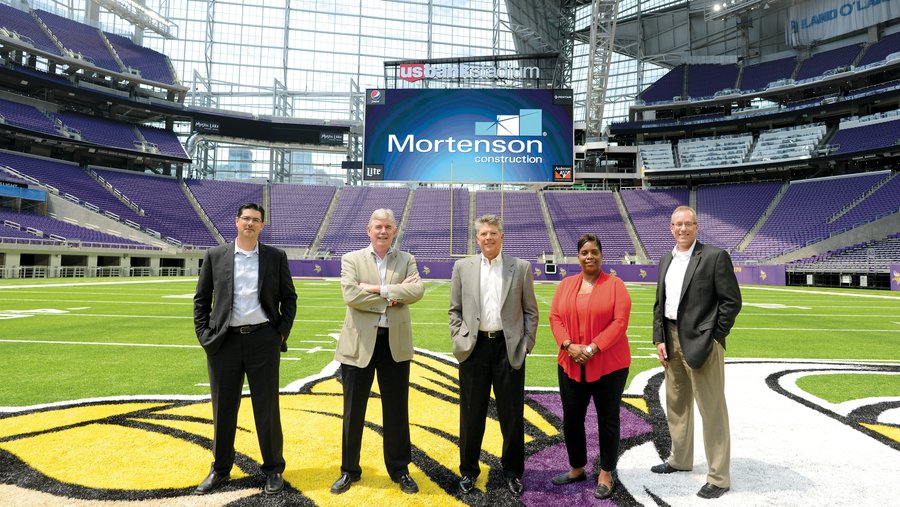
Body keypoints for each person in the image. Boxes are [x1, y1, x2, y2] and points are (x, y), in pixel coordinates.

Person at [192, 203, 297, 496]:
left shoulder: (275, 257)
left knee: (267, 408)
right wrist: (205, 335)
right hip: (224, 342)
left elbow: (289, 298)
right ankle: (221, 469)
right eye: (246, 219)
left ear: (262, 226)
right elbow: (201, 300)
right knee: (223, 408)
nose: (250, 224)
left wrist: (280, 334)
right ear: (236, 222)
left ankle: (273, 468)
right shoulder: (216, 255)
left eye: (256, 220)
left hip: (263, 340)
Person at [330, 208, 424, 495]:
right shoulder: (351, 259)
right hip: (359, 344)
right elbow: (351, 295)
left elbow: (417, 291)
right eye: (378, 227)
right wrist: (393, 295)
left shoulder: (406, 259)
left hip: (393, 343)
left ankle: (399, 470)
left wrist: (375, 288)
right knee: (352, 411)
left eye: (388, 227)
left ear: (395, 231)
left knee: (396, 410)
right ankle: (349, 470)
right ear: (368, 230)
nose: (383, 231)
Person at [651, 205, 742, 499]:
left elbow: (731, 301)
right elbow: (659, 304)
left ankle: (719, 476)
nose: (683, 229)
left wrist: (715, 337)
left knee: (712, 409)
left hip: (703, 342)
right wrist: (659, 338)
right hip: (671, 338)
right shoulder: (666, 259)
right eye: (677, 224)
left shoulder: (714, 257)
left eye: (688, 224)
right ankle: (680, 459)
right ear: (670, 228)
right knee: (677, 404)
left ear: (696, 227)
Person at [448, 214, 539, 497]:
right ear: (477, 238)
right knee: (471, 415)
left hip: (507, 349)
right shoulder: (463, 267)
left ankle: (512, 472)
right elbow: (454, 310)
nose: (488, 238)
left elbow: (531, 312)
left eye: (493, 233)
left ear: (502, 236)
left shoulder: (520, 267)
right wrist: (459, 340)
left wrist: (525, 346)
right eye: (483, 234)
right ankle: (468, 472)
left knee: (511, 415)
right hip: (474, 350)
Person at [548, 234, 631, 499]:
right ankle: (577, 467)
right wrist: (568, 345)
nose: (589, 256)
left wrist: (592, 347)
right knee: (572, 419)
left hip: (608, 365)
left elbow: (619, 322)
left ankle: (606, 472)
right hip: (570, 362)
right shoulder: (566, 285)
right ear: (578, 256)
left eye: (594, 251)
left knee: (608, 419)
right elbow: (555, 317)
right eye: (584, 252)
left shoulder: (615, 285)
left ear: (601, 255)